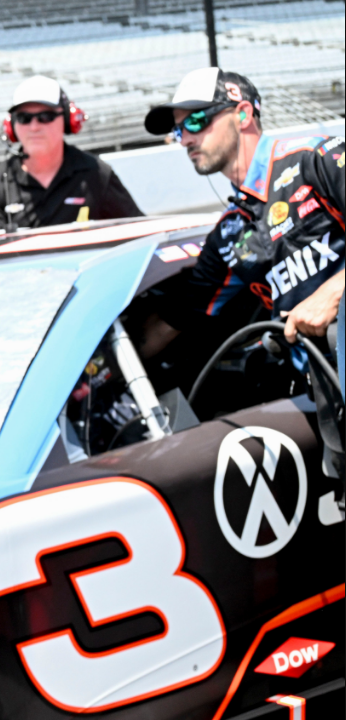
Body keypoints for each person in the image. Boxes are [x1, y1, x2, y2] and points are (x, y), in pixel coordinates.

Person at [139, 67, 343, 474]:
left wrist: (334, 292)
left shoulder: (314, 158)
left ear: (244, 113)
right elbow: (178, 318)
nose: (186, 139)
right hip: (325, 394)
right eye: (179, 131)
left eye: (196, 121)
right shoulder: (231, 231)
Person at [0, 75, 143, 232]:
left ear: (68, 120)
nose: (34, 127)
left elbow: (139, 233)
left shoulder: (97, 174)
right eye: (24, 118)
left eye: (46, 116)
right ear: (11, 125)